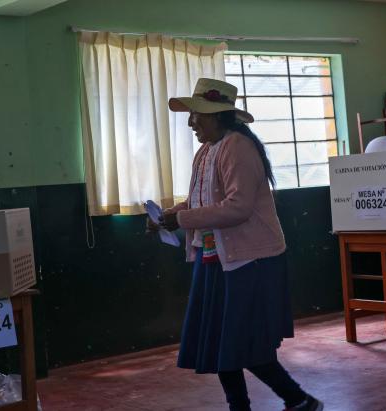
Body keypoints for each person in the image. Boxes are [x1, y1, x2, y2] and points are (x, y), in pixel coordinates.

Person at [150, 78, 323, 411]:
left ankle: (298, 399)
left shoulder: (238, 148)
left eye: (196, 115)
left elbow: (237, 208)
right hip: (216, 258)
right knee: (218, 342)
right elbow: (201, 201)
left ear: (217, 116)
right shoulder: (207, 151)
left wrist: (181, 221)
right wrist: (168, 216)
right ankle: (246, 406)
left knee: (244, 344)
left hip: (250, 261)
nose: (191, 123)